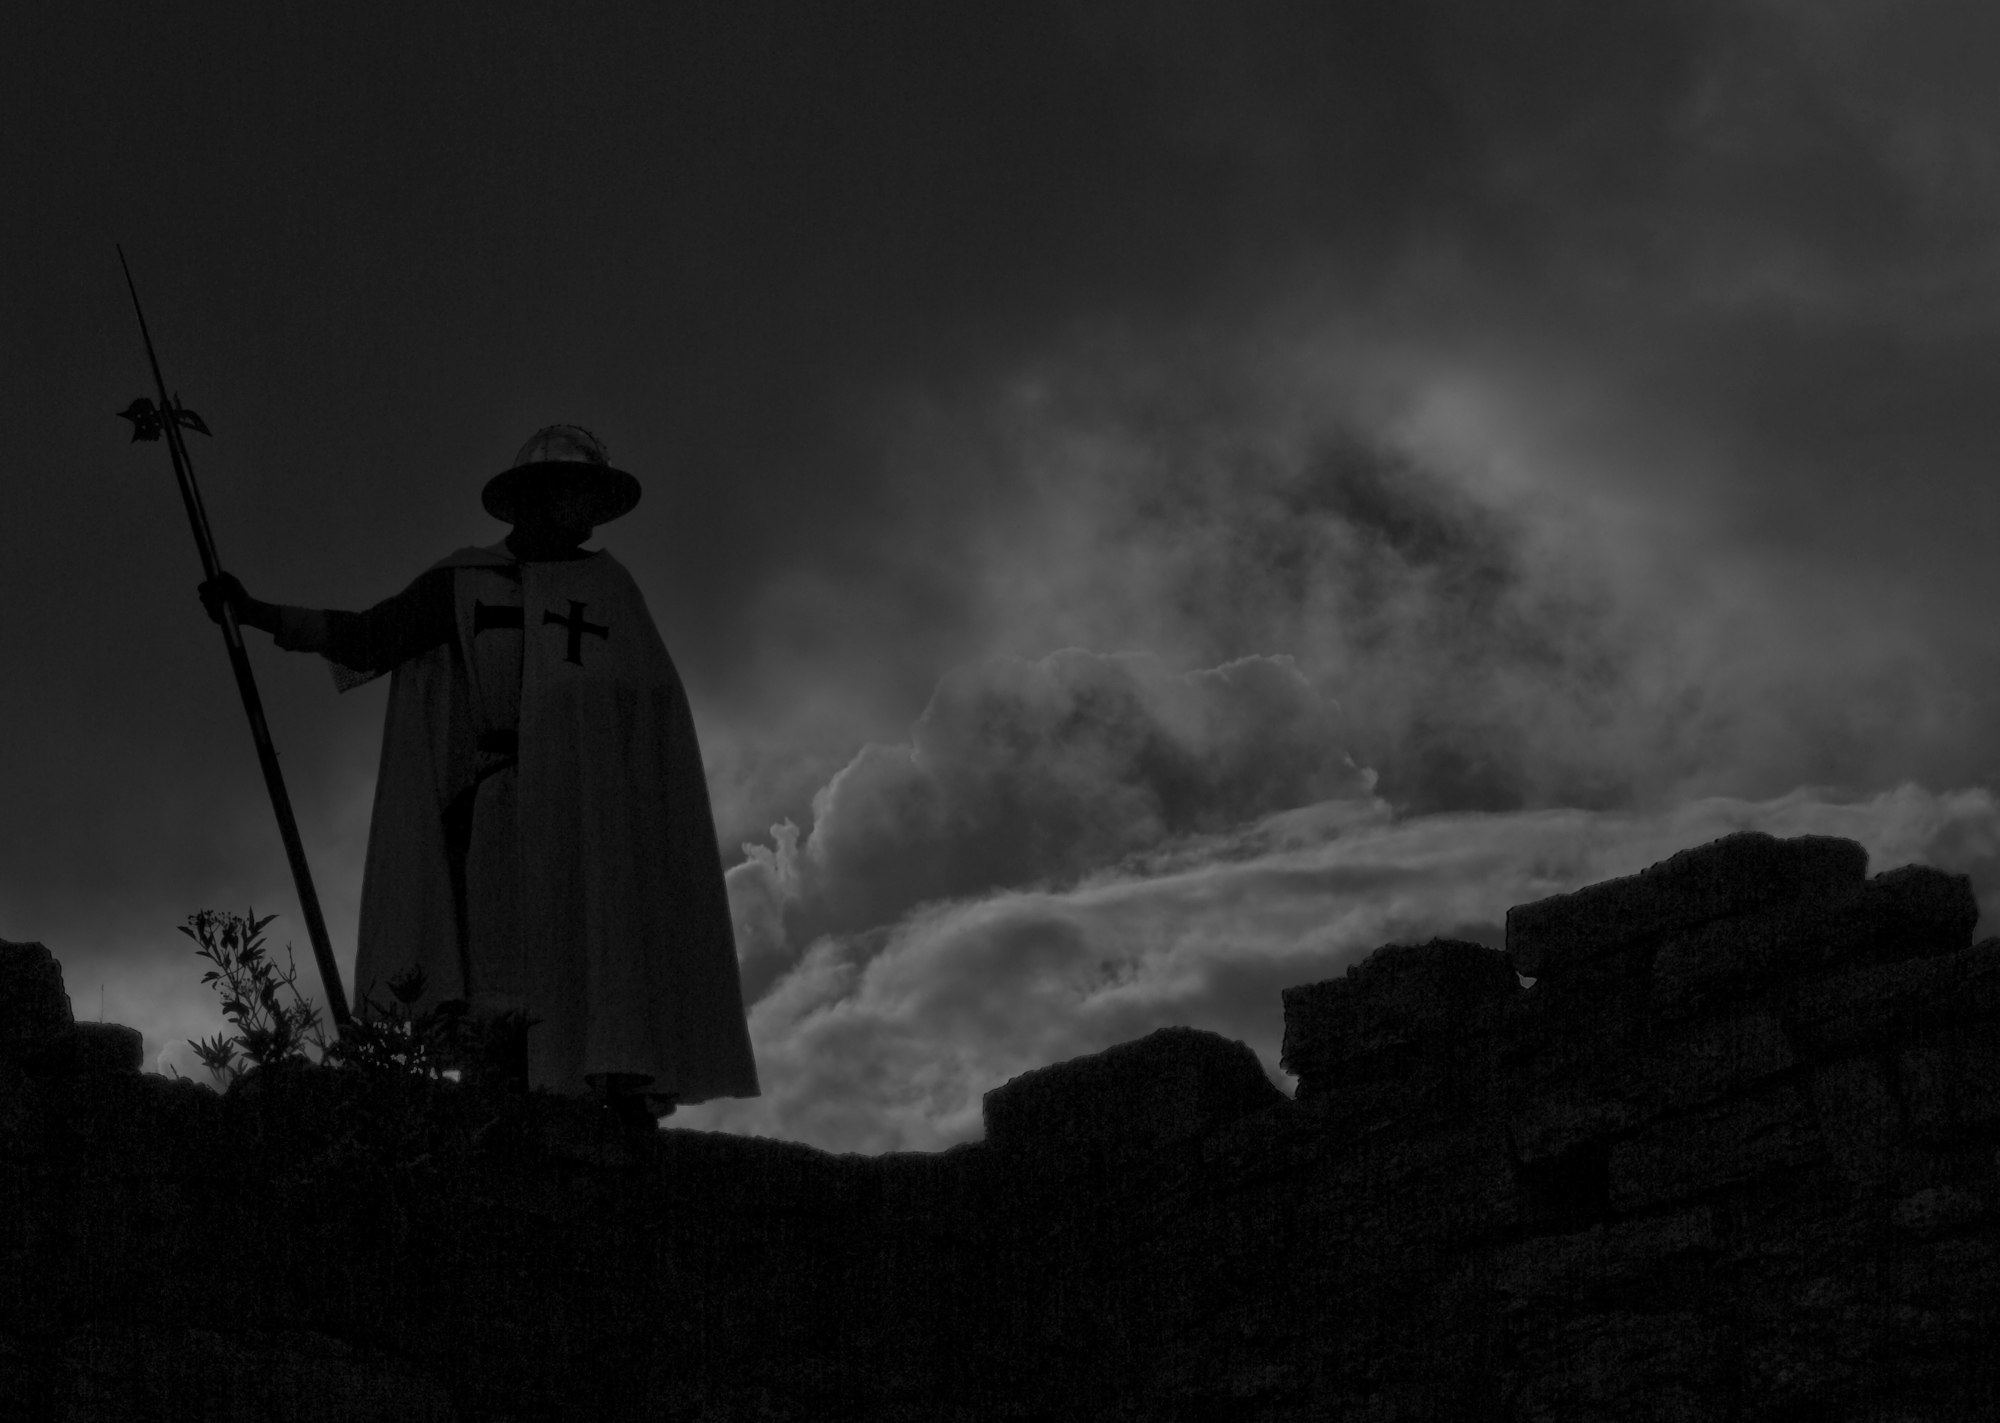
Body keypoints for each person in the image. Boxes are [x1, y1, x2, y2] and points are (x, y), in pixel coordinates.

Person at [200, 425, 760, 1134]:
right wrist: (257, 613)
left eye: (592, 496)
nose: (583, 511)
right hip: (499, 805)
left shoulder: (615, 595)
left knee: (599, 941)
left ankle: (610, 1089)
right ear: (532, 500)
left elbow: (648, 724)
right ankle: (504, 1099)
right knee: (501, 973)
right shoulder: (464, 583)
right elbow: (373, 636)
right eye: (571, 493)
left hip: (597, 819)